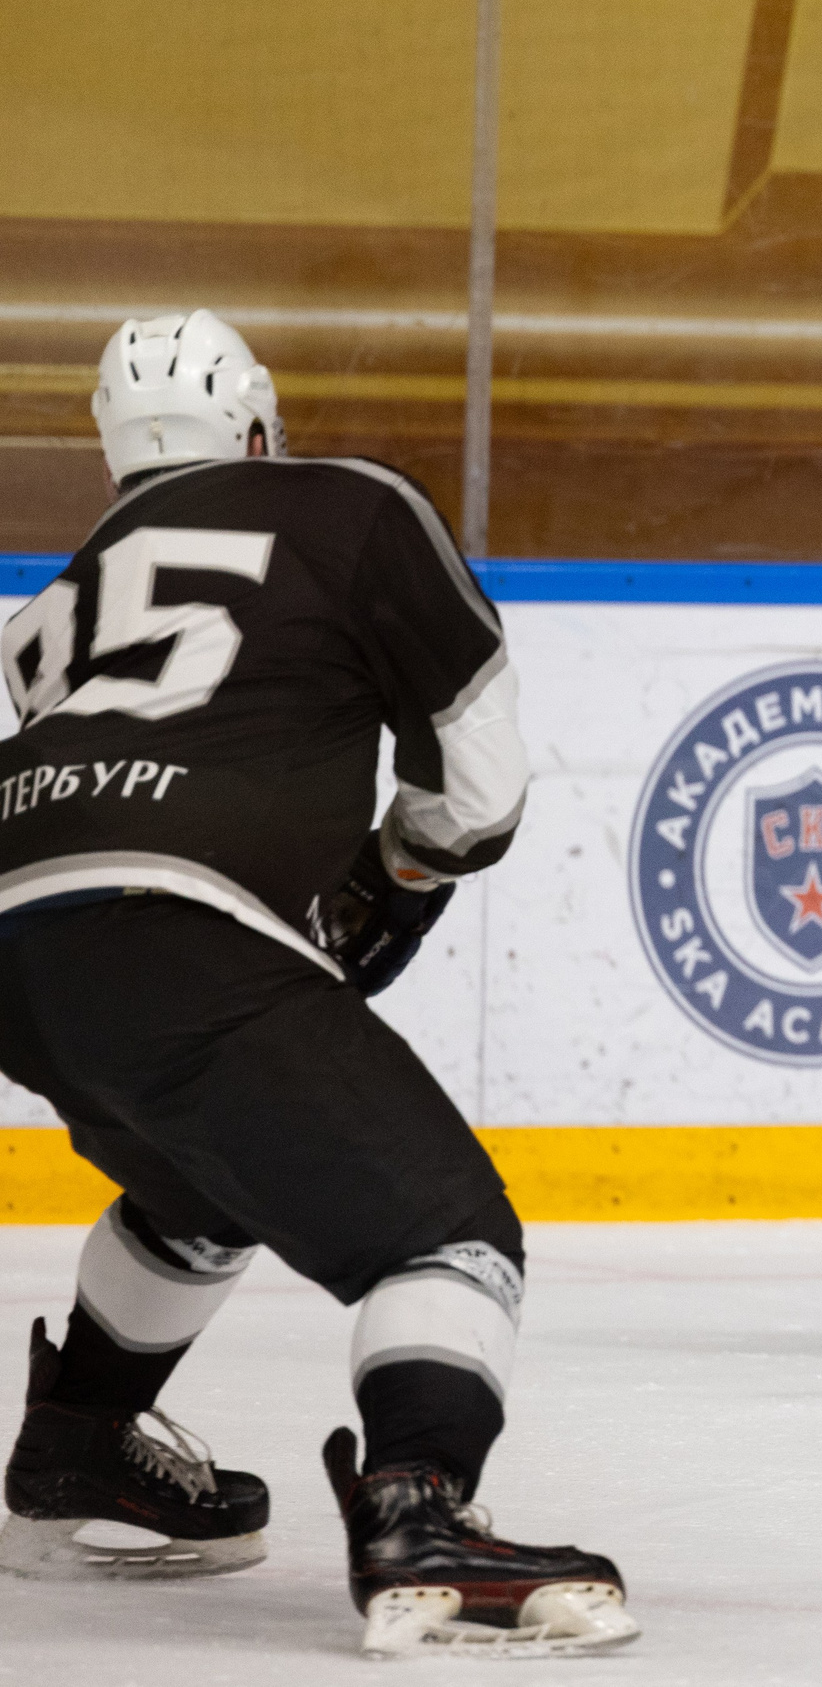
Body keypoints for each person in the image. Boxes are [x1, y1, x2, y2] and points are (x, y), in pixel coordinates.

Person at [0, 311, 637, 1654]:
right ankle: (419, 1506)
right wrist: (402, 870)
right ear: (257, 423)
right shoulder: (349, 500)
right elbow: (480, 788)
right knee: (445, 1235)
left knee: (205, 1172)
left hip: (23, 925)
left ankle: (81, 1441)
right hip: (176, 920)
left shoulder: (66, 590)